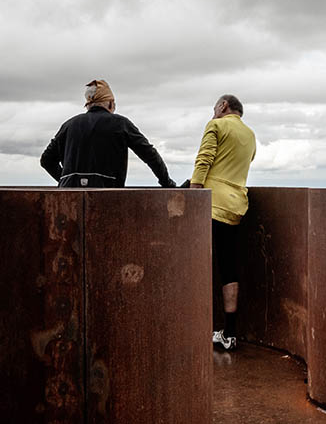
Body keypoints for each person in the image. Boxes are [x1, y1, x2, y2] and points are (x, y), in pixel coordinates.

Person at [190, 94, 256, 352]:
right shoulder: (250, 135)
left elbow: (204, 160)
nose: (213, 112)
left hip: (211, 204)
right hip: (236, 205)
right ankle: (229, 333)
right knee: (228, 267)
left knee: (198, 264)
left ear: (224, 106)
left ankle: (194, 325)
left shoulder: (215, 125)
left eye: (214, 108)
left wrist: (193, 194)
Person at [40, 79, 175, 188]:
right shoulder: (120, 124)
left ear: (88, 105)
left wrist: (66, 180)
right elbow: (149, 154)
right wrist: (167, 183)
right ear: (110, 104)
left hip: (68, 197)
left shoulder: (69, 125)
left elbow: (46, 160)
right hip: (108, 198)